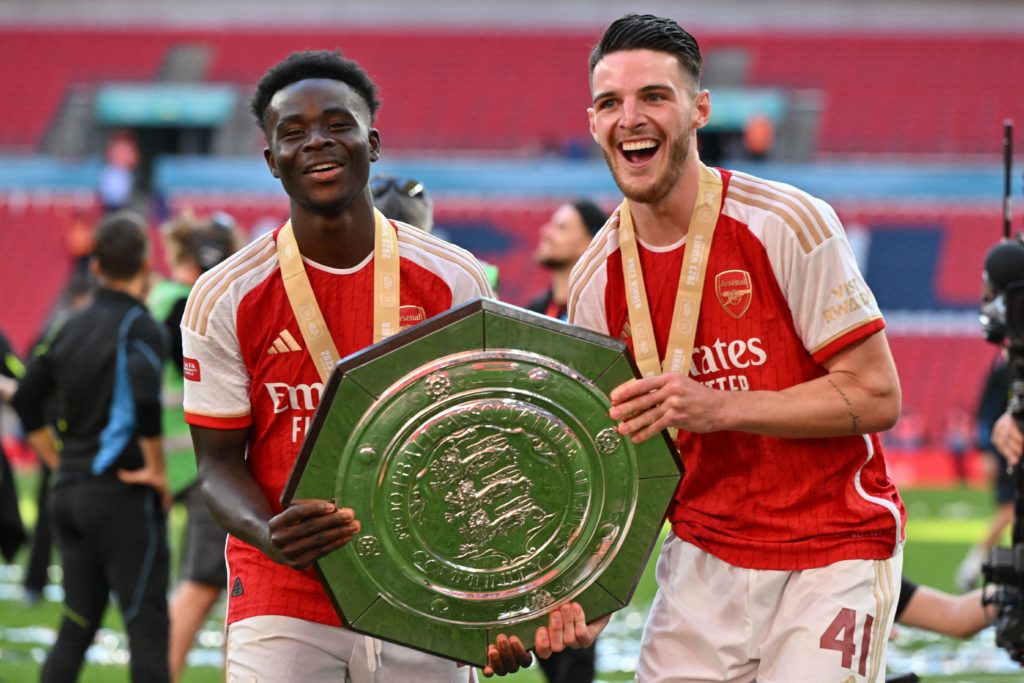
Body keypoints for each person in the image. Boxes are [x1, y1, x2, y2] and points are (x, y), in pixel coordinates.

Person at [496, 14, 907, 682]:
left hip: (831, 549)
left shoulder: (787, 223)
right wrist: (591, 595)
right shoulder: (598, 281)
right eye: (610, 103)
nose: (630, 117)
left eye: (654, 96)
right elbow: (623, 461)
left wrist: (721, 407)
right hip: (704, 560)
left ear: (698, 110)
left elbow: (876, 393)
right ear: (594, 122)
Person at [181, 50, 492, 681]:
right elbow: (215, 465)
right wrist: (268, 532)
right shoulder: (227, 295)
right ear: (271, 160)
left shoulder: (454, 279)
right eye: (292, 132)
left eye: (337, 124)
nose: (317, 141)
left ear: (371, 142)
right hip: (285, 588)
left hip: (424, 585)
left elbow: (487, 439)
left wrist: (494, 599)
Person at [11, 209, 170, 682]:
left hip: (69, 495)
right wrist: (157, 469)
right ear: (145, 265)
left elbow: (24, 398)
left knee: (77, 625)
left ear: (95, 267)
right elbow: (144, 392)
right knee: (146, 626)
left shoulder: (67, 325)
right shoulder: (140, 325)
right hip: (119, 492)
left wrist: (56, 459)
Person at [149, 210, 243, 682]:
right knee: (207, 584)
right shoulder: (185, 305)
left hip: (180, 462)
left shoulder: (163, 296)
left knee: (218, 584)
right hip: (202, 461)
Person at [955, 359, 1013, 592]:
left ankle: (974, 568)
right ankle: (970, 568)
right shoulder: (1006, 368)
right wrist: (988, 451)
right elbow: (987, 410)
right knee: (1010, 509)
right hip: (1009, 450)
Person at [526, 199, 607, 323]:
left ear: (590, 243)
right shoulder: (535, 312)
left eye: (560, 227)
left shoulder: (602, 314)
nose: (545, 232)